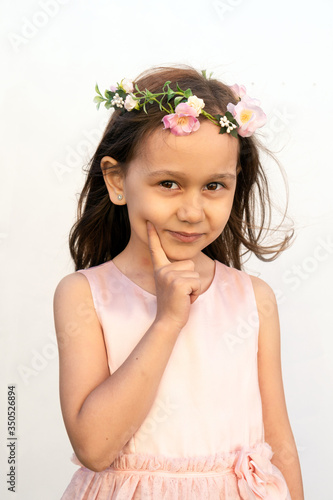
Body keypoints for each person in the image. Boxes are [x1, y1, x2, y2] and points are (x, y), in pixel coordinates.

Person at [53, 64, 304, 499]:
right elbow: (94, 447)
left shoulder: (253, 300)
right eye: (168, 183)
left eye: (213, 186)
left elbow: (279, 441)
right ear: (117, 181)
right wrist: (167, 321)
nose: (192, 211)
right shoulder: (84, 295)